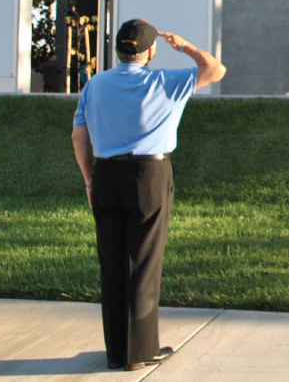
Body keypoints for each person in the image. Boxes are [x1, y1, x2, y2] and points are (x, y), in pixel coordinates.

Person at [71, 19, 226, 371]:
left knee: (112, 263)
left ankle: (116, 352)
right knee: (143, 263)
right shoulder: (165, 81)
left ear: (118, 49)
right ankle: (139, 352)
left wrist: (89, 181)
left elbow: (78, 137)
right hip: (149, 175)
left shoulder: (94, 85)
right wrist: (184, 45)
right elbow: (216, 69)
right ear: (150, 51)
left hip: (106, 174)